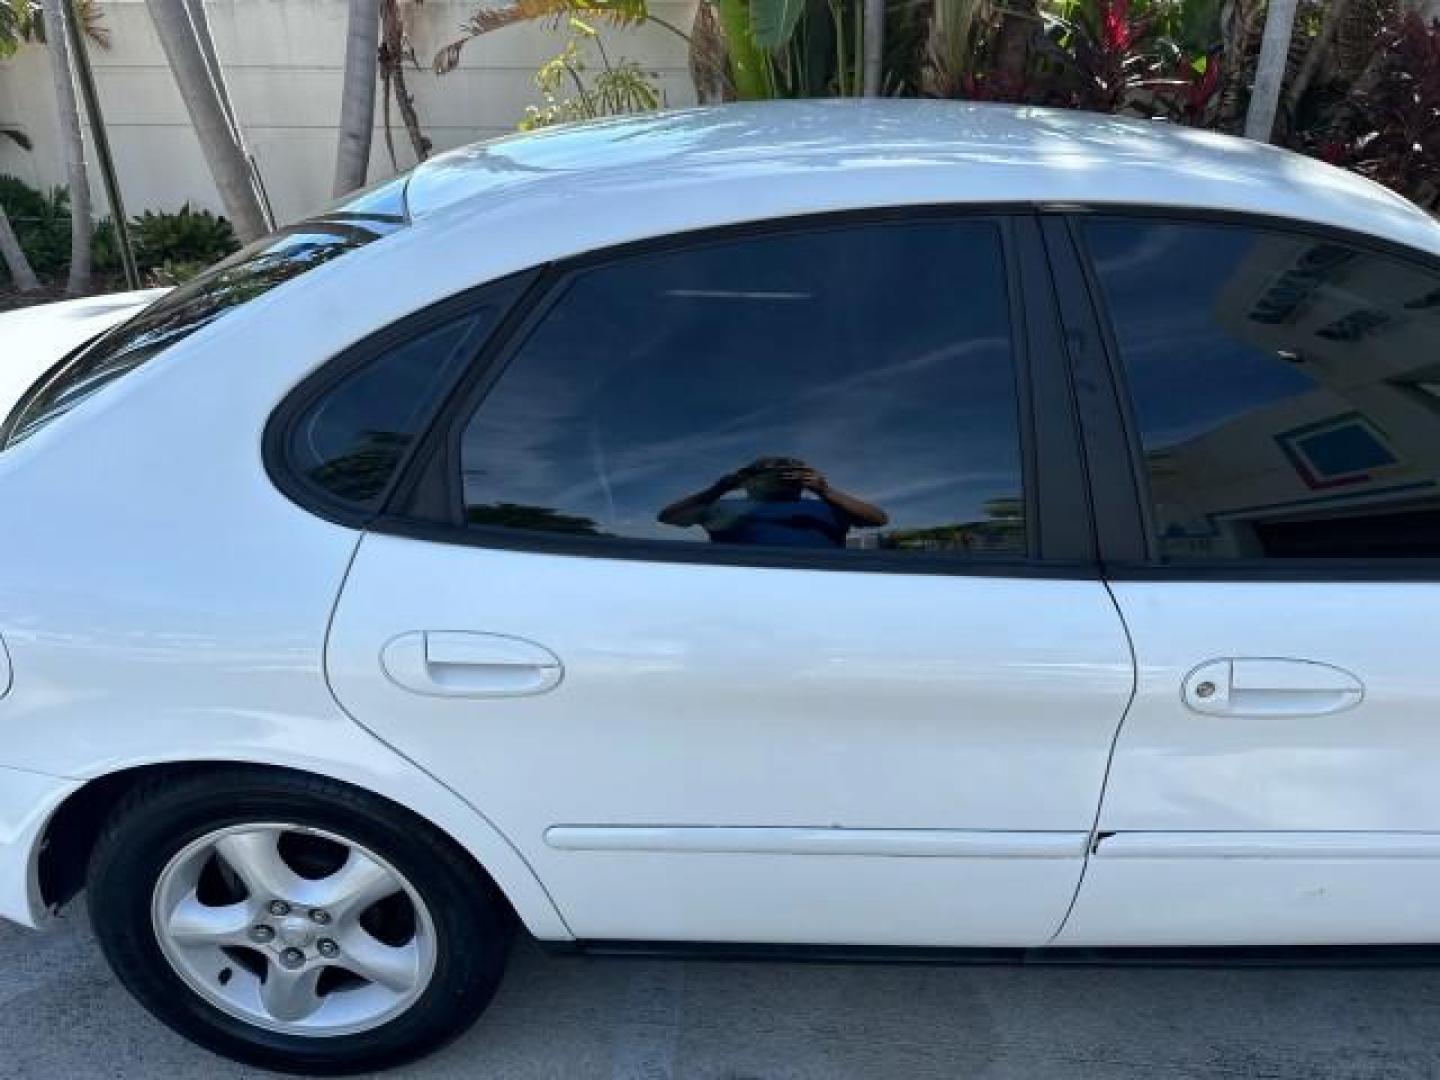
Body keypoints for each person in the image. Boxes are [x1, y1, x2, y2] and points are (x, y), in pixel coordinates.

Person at [657, 456, 888, 548]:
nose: (778, 478)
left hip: (824, 589)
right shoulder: (722, 507)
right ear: (748, 481)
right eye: (767, 473)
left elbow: (878, 519)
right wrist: (718, 489)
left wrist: (826, 491)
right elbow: (668, 517)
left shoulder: (829, 506)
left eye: (790, 473)